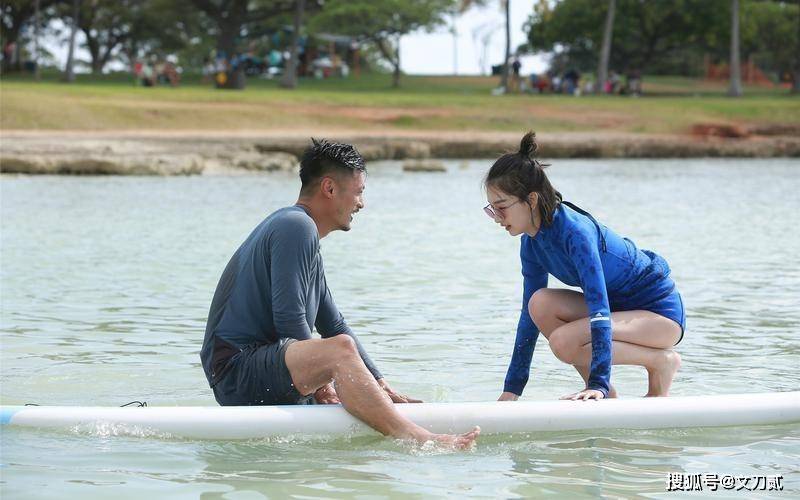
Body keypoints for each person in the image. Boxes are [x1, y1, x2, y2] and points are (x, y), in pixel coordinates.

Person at [200, 139, 480, 449]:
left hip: (262, 368)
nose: (362, 203)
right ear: (330, 189)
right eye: (358, 192)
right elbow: (290, 320)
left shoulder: (303, 236)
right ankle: (417, 438)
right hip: (236, 372)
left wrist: (380, 384)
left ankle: (391, 422)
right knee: (339, 350)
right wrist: (322, 385)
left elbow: (334, 323)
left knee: (339, 347)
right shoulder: (295, 226)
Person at [483, 132, 684, 402]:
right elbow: (527, 320)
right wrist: (512, 391)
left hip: (658, 315)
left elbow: (598, 307)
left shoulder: (575, 232)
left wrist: (597, 384)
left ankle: (660, 362)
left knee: (564, 342)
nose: (497, 218)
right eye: (491, 209)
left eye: (502, 207)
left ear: (531, 200)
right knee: (538, 304)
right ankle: (607, 391)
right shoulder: (531, 244)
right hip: (617, 311)